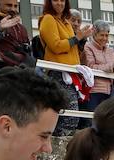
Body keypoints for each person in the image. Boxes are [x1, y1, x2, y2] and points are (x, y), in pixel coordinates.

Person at [38, 0, 92, 136]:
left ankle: (57, 142)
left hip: (71, 73)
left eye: (62, 0)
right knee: (69, 116)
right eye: (56, 0)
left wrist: (82, 39)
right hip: (57, 72)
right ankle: (56, 142)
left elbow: (73, 50)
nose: (59, 3)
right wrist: (77, 38)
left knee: (70, 115)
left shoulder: (66, 23)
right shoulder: (48, 19)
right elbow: (56, 46)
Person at [83, 20, 114, 112]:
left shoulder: (110, 50)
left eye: (106, 35)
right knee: (93, 118)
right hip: (94, 90)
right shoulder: (87, 47)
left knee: (110, 118)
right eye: (102, 35)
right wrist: (112, 65)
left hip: (109, 90)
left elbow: (113, 70)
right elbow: (91, 67)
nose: (104, 38)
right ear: (94, 34)